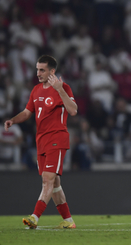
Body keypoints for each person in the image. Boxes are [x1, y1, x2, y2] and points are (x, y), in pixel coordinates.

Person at [4, 55, 77, 229]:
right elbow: (27, 112)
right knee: (55, 184)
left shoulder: (63, 87)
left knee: (47, 179)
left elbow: (73, 110)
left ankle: (34, 217)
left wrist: (59, 90)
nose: (38, 73)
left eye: (42, 70)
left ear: (52, 71)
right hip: (41, 141)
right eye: (37, 69)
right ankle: (68, 221)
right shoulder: (36, 90)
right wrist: (13, 120)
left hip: (57, 138)